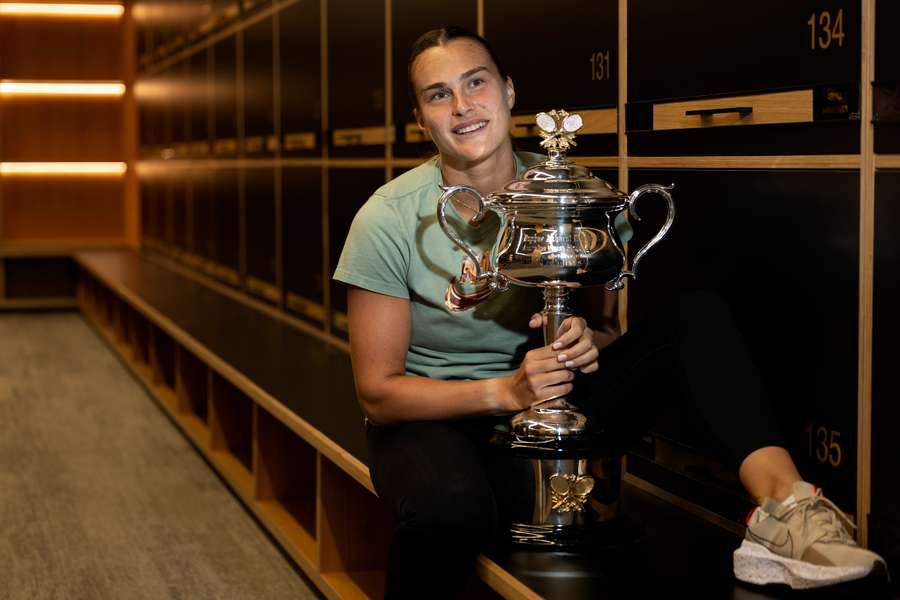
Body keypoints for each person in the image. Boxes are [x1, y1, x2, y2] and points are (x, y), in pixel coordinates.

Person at [333, 26, 886, 598]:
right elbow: (378, 391)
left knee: (696, 317)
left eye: (476, 83)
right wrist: (507, 393)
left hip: (560, 406)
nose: (463, 106)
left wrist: (585, 339)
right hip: (439, 420)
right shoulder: (390, 218)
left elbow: (608, 329)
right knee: (450, 513)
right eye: (438, 93)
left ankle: (785, 509)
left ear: (509, 91)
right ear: (421, 119)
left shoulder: (579, 196)